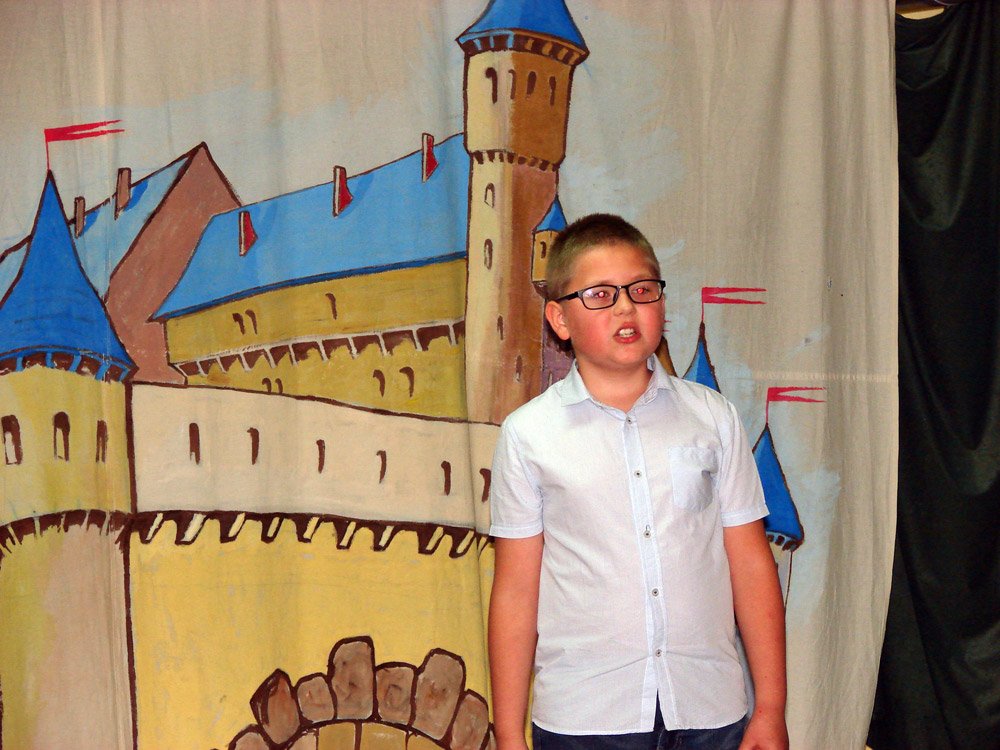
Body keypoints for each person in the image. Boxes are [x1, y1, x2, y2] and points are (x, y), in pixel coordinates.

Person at [488, 214, 788, 750]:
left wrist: (770, 708)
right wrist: (509, 732)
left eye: (642, 290)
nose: (626, 308)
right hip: (585, 718)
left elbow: (750, 563)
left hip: (710, 710)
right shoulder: (528, 435)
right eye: (600, 295)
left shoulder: (713, 418)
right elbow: (515, 590)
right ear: (559, 319)